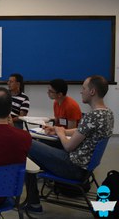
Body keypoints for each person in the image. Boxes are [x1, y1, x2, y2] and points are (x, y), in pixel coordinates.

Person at [25, 75, 114, 214]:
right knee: (36, 148)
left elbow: (68, 146)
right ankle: (34, 198)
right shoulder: (107, 113)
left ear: (92, 92)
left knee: (27, 142)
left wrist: (60, 133)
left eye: (84, 88)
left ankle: (33, 203)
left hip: (73, 167)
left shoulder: (92, 116)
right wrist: (59, 130)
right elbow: (81, 131)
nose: (81, 91)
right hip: (84, 167)